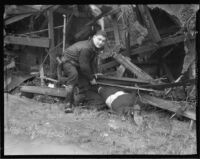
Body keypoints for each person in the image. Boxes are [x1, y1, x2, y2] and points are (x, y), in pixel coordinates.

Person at [57, 30, 107, 113]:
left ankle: (81, 97)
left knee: (84, 80)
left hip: (77, 62)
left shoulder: (94, 46)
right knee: (74, 75)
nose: (101, 42)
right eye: (99, 39)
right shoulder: (86, 48)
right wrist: (91, 79)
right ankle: (68, 103)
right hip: (68, 62)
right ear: (94, 37)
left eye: (103, 41)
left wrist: (94, 73)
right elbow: (84, 67)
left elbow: (90, 61)